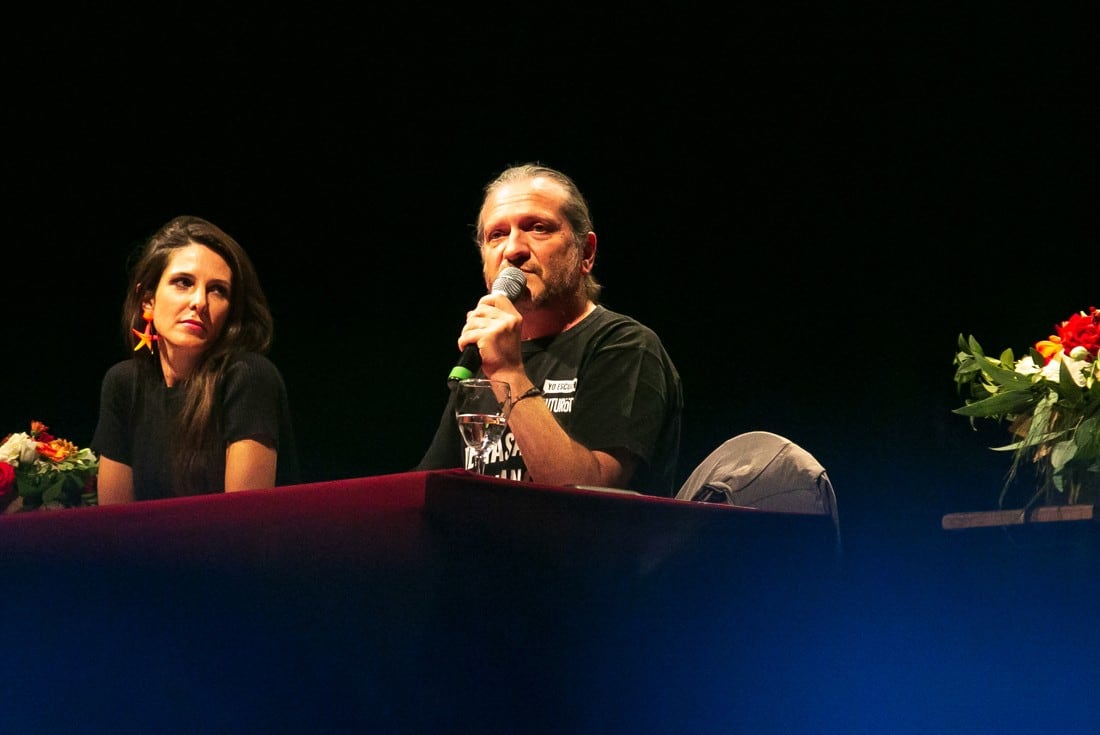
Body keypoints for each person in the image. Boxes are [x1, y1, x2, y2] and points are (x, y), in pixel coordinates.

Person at [417, 163, 683, 497]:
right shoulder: (483, 358)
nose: (513, 249)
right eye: (496, 235)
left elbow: (588, 497)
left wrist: (509, 372)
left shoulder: (625, 345)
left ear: (585, 253)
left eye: (538, 228)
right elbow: (428, 488)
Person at [91, 215, 300, 503]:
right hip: (143, 548)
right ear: (148, 300)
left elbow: (245, 525)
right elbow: (112, 527)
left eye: (218, 290)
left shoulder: (248, 376)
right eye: (183, 282)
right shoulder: (124, 384)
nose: (200, 302)